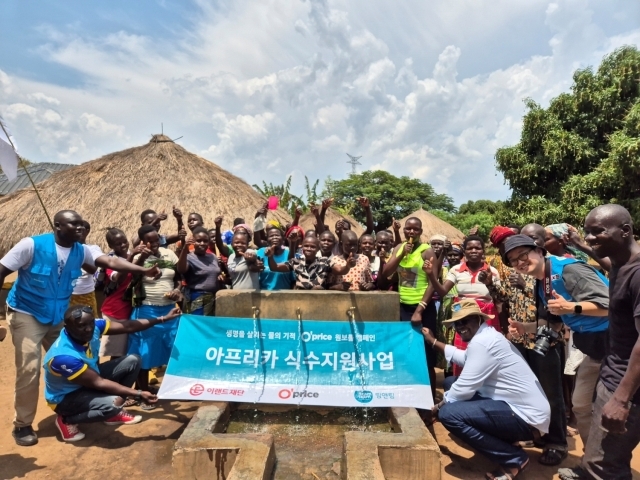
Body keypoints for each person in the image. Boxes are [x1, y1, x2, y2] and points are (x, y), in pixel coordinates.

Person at [0, 210, 160, 446]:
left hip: (58, 316)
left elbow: (111, 262)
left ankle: (94, 407)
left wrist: (142, 270)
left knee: (82, 360)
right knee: (30, 368)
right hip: (27, 312)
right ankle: (23, 425)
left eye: (80, 224)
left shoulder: (83, 249)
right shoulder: (31, 245)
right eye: (73, 224)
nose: (79, 228)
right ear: (57, 226)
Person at [423, 299, 551, 480]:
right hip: (519, 410)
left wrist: (436, 409)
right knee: (450, 382)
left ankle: (514, 458)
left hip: (526, 417)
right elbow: (464, 358)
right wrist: (433, 341)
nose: (460, 326)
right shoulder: (486, 336)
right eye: (457, 323)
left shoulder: (482, 342)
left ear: (478, 319)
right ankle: (507, 442)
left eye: (465, 321)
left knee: (449, 413)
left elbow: (463, 390)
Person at [503, 234, 609, 448]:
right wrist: (525, 328)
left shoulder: (569, 270)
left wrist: (572, 307)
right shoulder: (543, 281)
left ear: (540, 251)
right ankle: (592, 462)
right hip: (592, 348)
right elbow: (554, 323)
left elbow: (611, 305)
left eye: (523, 255)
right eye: (514, 260)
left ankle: (606, 465)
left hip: (615, 344)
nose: (519, 262)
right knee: (580, 405)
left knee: (610, 408)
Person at [558, 205, 640, 480]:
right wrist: (582, 245)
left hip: (628, 384)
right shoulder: (622, 263)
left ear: (625, 230)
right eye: (587, 232)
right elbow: (611, 267)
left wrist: (621, 398)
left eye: (598, 232)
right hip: (613, 372)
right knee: (598, 455)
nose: (590, 237)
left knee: (604, 465)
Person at [484, 225, 568, 465]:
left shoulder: (548, 270)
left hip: (545, 341)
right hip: (520, 339)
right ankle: (536, 434)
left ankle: (557, 442)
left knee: (552, 393)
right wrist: (491, 283)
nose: (517, 257)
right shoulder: (513, 270)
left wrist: (525, 285)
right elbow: (503, 296)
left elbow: (556, 306)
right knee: (526, 391)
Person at [44, 305, 181, 442]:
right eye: (81, 326)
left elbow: (128, 326)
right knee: (113, 404)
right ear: (67, 328)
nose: (89, 328)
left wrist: (162, 319)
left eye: (91, 323)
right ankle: (67, 419)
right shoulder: (63, 357)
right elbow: (99, 382)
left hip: (88, 381)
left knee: (133, 360)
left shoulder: (95, 326)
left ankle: (112, 414)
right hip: (65, 398)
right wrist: (138, 394)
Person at [424, 235, 502, 376]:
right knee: (464, 349)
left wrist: (489, 283)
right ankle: (463, 381)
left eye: (477, 248)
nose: (473, 251)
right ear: (464, 251)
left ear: (483, 251)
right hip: (463, 315)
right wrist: (431, 276)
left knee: (488, 350)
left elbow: (499, 298)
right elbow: (442, 292)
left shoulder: (492, 271)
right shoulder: (456, 270)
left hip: (486, 315)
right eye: (469, 248)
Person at [127, 224, 183, 409]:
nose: (153, 244)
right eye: (148, 241)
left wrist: (177, 290)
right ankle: (145, 394)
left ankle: (174, 388)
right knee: (144, 353)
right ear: (142, 242)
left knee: (174, 350)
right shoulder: (137, 257)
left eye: (156, 239)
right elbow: (132, 275)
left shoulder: (169, 254)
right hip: (147, 310)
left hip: (169, 309)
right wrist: (142, 256)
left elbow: (179, 277)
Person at [382, 217, 438, 395]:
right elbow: (386, 272)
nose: (411, 232)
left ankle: (429, 398)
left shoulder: (427, 252)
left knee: (426, 354)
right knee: (406, 351)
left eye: (416, 229)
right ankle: (411, 392)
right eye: (408, 229)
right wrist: (400, 255)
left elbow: (433, 283)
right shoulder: (399, 248)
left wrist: (420, 309)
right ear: (404, 231)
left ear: (421, 232)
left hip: (423, 308)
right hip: (403, 308)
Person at [99, 228, 144, 359]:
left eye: (124, 241)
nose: (123, 245)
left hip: (133, 310)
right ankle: (112, 377)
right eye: (118, 244)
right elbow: (118, 277)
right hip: (116, 311)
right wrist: (131, 257)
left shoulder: (134, 254)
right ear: (111, 246)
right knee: (116, 353)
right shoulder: (110, 260)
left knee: (129, 350)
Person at [265, 233, 354, 289]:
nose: (309, 249)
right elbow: (274, 267)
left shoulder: (325, 261)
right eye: (306, 246)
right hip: (300, 299)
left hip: (319, 299)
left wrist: (348, 266)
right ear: (302, 247)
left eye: (312, 247)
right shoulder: (296, 261)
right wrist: (270, 256)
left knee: (318, 288)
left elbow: (340, 270)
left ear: (318, 249)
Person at [177, 227, 221, 315]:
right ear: (193, 242)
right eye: (199, 241)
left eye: (205, 241)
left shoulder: (213, 256)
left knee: (208, 324)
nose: (202, 243)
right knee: (196, 323)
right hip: (196, 297)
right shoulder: (189, 257)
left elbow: (216, 272)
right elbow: (181, 269)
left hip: (214, 297)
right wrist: (185, 248)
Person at [69, 221, 102, 316]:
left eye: (81, 229)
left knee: (90, 318)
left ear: (87, 231)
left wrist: (78, 258)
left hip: (86, 292)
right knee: (70, 320)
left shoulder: (92, 248)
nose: (78, 232)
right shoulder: (67, 248)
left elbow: (93, 270)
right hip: (68, 293)